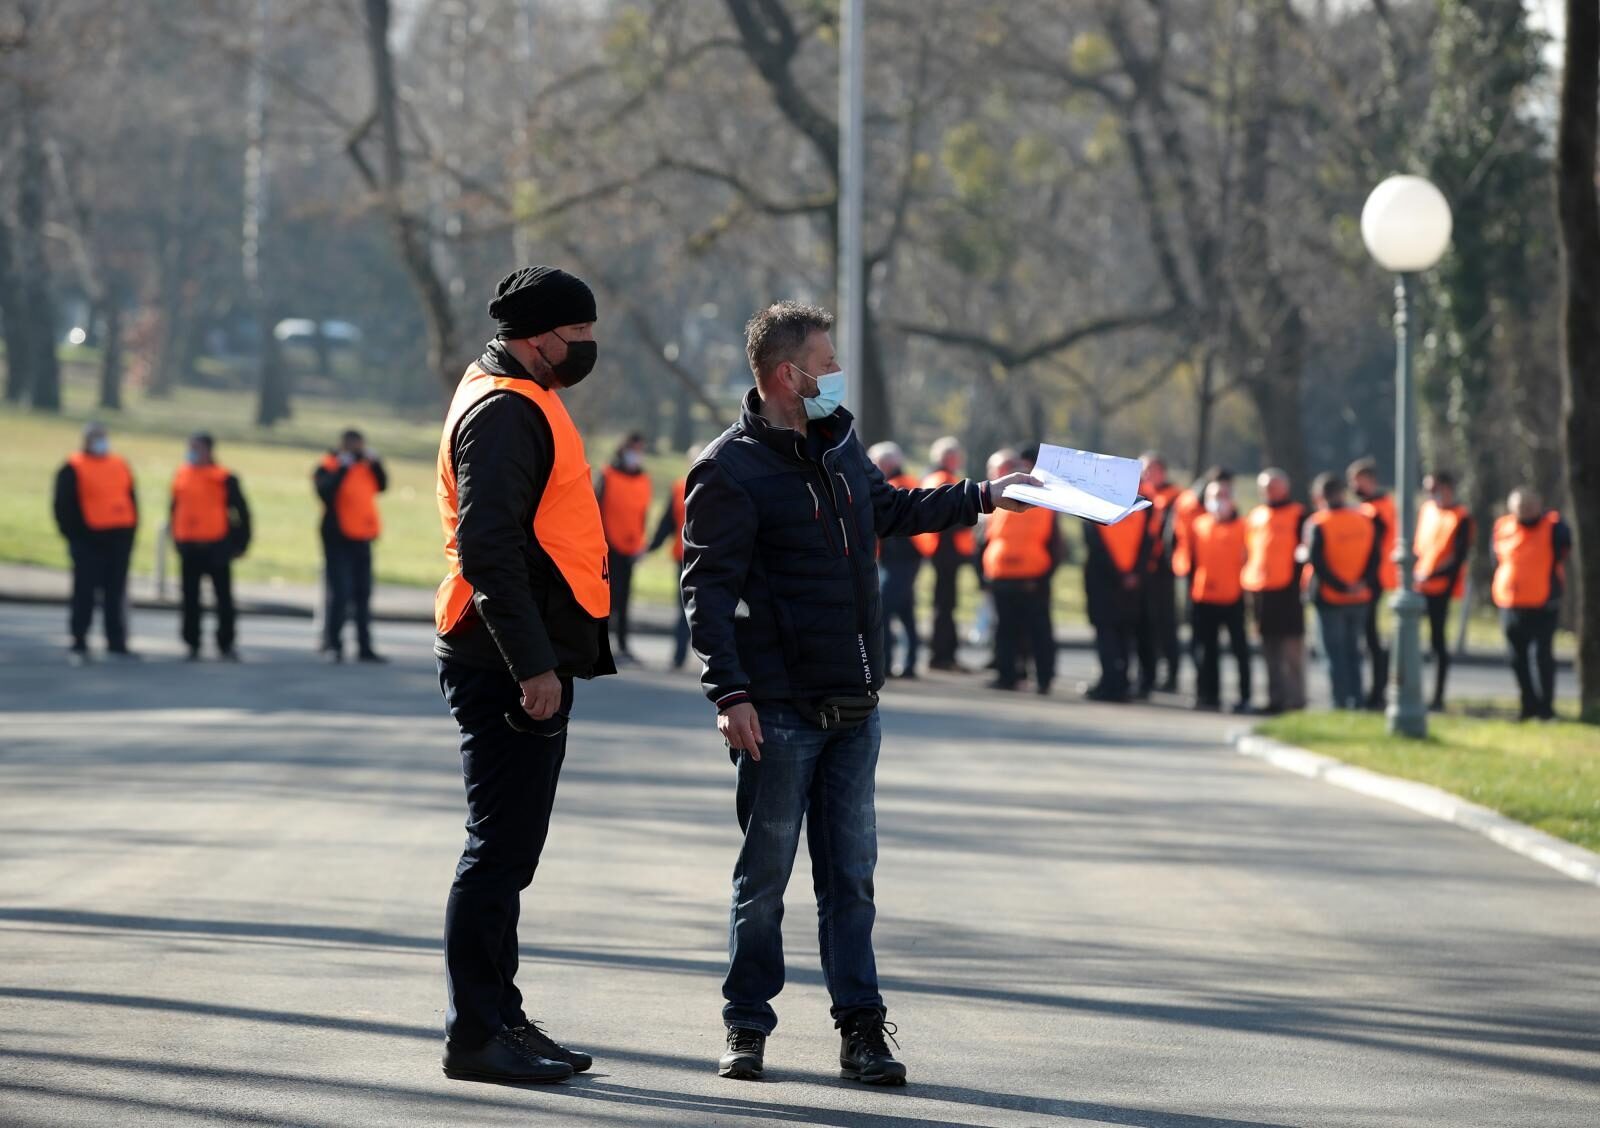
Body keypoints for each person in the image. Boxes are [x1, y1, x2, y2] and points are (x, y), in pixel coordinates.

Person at [682, 301, 1038, 1086]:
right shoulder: (727, 470)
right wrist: (729, 692)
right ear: (787, 375)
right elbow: (704, 593)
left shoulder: (840, 445)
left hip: (855, 708)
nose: (836, 374)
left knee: (851, 882)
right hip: (775, 713)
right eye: (826, 361)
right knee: (764, 885)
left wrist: (983, 494)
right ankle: (746, 1025)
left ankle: (862, 1032)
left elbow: (894, 509)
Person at [432, 266, 615, 1086]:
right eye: (577, 338)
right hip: (503, 661)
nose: (586, 350)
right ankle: (476, 1034)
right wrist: (532, 664)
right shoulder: (505, 412)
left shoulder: (517, 392)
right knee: (497, 853)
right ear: (538, 336)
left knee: (511, 854)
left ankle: (500, 1015)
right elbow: (487, 550)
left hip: (516, 653)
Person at [53, 422, 139, 664]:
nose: (100, 442)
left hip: (118, 539)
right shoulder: (73, 467)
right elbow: (63, 506)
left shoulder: (119, 464)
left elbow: (131, 499)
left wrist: (129, 534)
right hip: (88, 540)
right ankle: (79, 639)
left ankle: (116, 640)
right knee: (84, 592)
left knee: (115, 592)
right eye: (95, 437)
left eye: (102, 437)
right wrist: (75, 537)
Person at [982, 444, 1059, 694]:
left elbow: (1054, 543)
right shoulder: (1005, 497)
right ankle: (1014, 676)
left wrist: (1045, 573)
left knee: (1028, 631)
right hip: (1012, 575)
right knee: (1012, 630)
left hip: (1025, 576)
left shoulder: (1037, 497)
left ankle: (1034, 677)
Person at [1491, 488, 1571, 721]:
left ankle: (1546, 709)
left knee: (1542, 657)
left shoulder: (1554, 526)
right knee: (1517, 659)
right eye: (1519, 506)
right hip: (1509, 603)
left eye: (1529, 505)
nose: (1524, 511)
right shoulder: (1502, 527)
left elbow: (1564, 550)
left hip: (1542, 604)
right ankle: (1528, 706)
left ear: (1539, 505)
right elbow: (1495, 556)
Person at [1301, 473, 1379, 710]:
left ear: (1320, 496)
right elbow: (1375, 557)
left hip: (1330, 598)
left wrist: (1342, 586)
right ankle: (1357, 699)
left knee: (1334, 654)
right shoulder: (1364, 519)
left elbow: (1318, 563)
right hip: (1359, 596)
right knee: (1354, 651)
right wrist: (1361, 583)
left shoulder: (1319, 523)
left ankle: (1340, 701)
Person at [170, 433, 250, 662]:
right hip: (189, 546)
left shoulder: (223, 477)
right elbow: (175, 508)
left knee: (223, 598)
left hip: (216, 547)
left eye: (197, 448)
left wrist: (240, 543)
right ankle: (191, 641)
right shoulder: (182, 474)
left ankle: (226, 642)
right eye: (190, 447)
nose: (193, 451)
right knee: (190, 598)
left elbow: (241, 512)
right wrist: (176, 538)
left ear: (209, 450)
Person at [315, 429, 388, 663]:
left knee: (362, 593)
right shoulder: (329, 465)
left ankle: (364, 647)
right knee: (339, 593)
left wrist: (376, 463)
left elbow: (382, 485)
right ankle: (333, 644)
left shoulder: (366, 466)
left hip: (362, 536)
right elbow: (325, 492)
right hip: (337, 536)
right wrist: (343, 467)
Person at [1242, 468, 1307, 714]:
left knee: (1291, 649)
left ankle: (1295, 699)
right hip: (1260, 590)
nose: (1268, 491)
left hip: (1288, 591)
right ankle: (1274, 698)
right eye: (1265, 486)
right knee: (1268, 648)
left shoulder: (1298, 515)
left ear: (1285, 487)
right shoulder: (1256, 516)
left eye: (1273, 485)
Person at [913, 436, 977, 671]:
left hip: (940, 551)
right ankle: (943, 655)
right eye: (956, 456)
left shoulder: (933, 477)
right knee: (946, 604)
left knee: (944, 604)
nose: (959, 460)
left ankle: (943, 654)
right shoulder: (944, 480)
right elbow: (952, 516)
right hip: (947, 551)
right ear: (948, 457)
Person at [1187, 479, 1251, 713]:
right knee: (1205, 650)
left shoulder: (1244, 526)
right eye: (1214, 496)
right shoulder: (1199, 524)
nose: (1218, 500)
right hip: (1204, 595)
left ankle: (1245, 696)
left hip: (1234, 595)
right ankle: (1207, 695)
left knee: (1240, 650)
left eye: (1223, 495)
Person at [1413, 471, 1472, 711]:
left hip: (1440, 588)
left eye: (1434, 488)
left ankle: (1437, 696)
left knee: (1438, 642)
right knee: (1406, 638)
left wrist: (1433, 575)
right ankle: (1410, 689)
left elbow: (1457, 557)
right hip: (1418, 585)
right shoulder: (1428, 510)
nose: (1430, 493)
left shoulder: (1461, 517)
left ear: (1447, 487)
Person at [1082, 505, 1150, 702]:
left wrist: (1122, 575)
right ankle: (1119, 682)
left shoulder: (1094, 509)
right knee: (1123, 637)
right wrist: (1133, 574)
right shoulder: (1139, 510)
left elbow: (1095, 548)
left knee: (1109, 637)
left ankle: (1112, 684)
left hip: (1107, 585)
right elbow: (1147, 545)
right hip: (1126, 584)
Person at [868, 440, 922, 678]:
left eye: (876, 462)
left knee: (884, 610)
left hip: (903, 559)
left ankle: (887, 663)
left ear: (888, 462)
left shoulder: (899, 485)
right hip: (900, 559)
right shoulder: (902, 481)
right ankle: (909, 664)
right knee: (906, 613)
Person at [597, 431, 650, 664]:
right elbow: (596, 509)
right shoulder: (608, 475)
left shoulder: (643, 480)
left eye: (640, 450)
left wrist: (640, 543)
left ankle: (622, 645)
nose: (637, 455)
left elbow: (642, 515)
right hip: (607, 547)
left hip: (630, 548)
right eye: (634, 449)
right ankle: (600, 646)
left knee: (625, 598)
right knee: (604, 599)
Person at [1348, 456, 1396, 709]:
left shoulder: (1376, 509)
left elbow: (1372, 545)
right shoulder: (1374, 506)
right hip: (1374, 576)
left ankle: (1377, 691)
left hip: (1373, 578)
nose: (1353, 487)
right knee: (1370, 636)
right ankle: (1376, 689)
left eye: (1356, 482)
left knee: (1371, 637)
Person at [647, 445, 700, 670]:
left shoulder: (720, 485)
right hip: (683, 557)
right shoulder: (680, 487)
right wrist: (650, 547)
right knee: (684, 608)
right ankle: (679, 656)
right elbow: (667, 522)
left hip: (708, 557)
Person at [1137, 451, 1183, 695]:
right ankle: (1148, 674)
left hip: (1163, 571)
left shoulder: (1176, 498)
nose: (1147, 475)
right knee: (1145, 625)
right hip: (1142, 569)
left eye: (1151, 469)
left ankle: (1171, 674)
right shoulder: (1140, 496)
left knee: (1166, 623)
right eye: (1144, 470)